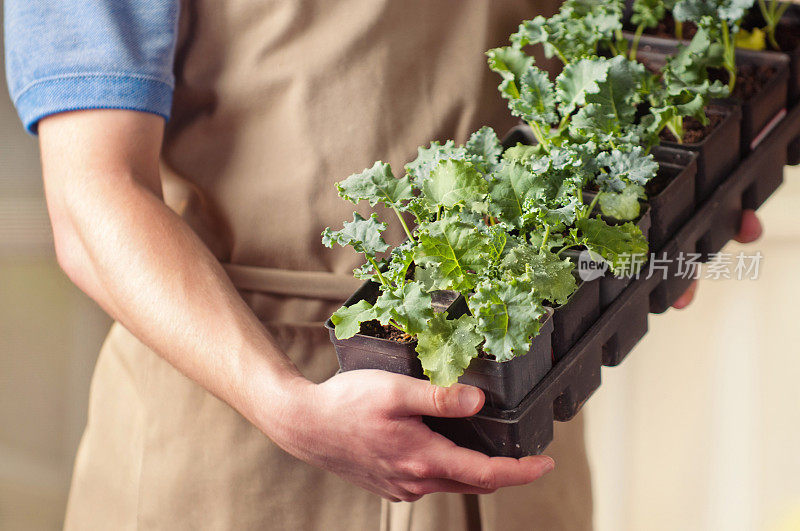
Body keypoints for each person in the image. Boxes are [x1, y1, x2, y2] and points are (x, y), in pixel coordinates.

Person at [5, 1, 762, 529]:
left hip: (514, 402)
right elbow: (94, 192)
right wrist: (284, 404)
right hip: (237, 436)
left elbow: (613, 54)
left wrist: (663, 206)